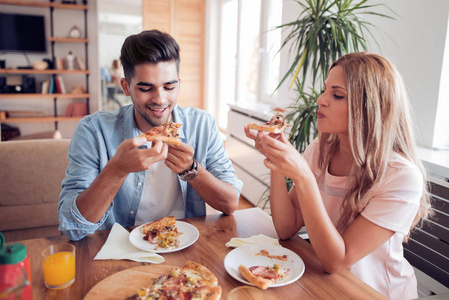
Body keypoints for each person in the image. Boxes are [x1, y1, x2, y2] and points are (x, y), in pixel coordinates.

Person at [244, 52, 432, 300]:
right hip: (325, 283)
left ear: (369, 107)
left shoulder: (401, 178)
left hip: (374, 292)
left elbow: (337, 260)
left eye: (337, 94)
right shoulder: (320, 150)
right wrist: (277, 163)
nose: (321, 100)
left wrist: (304, 178)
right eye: (324, 91)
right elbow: (286, 228)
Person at [59, 29, 242, 241]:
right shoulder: (93, 130)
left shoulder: (202, 125)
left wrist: (191, 170)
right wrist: (117, 169)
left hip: (183, 246)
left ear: (179, 84)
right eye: (146, 89)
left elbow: (230, 203)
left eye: (169, 86)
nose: (160, 99)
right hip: (118, 251)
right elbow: (72, 226)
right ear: (126, 87)